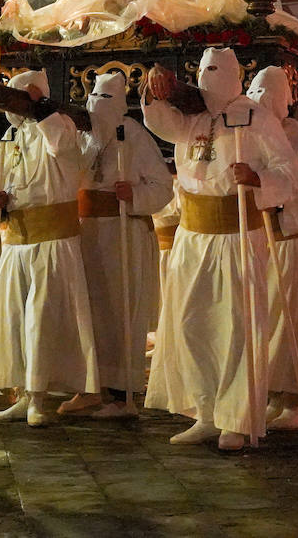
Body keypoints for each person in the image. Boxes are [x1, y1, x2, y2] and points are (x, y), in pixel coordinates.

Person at [143, 48, 298, 450]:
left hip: (237, 235)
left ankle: (237, 417)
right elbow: (160, 122)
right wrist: (155, 88)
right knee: (189, 323)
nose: (206, 76)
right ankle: (205, 410)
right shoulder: (192, 114)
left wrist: (257, 177)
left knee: (236, 325)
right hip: (192, 236)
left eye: (215, 70)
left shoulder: (256, 117)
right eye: (201, 69)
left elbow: (291, 174)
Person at [0, 68, 100, 428]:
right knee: (16, 320)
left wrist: (42, 108)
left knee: (42, 319)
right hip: (16, 240)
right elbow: (5, 182)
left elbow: (63, 150)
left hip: (52, 241)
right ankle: (23, 393)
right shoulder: (9, 136)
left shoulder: (60, 126)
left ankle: (38, 398)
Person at [64, 71, 173, 419]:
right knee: (88, 311)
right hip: (87, 233)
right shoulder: (86, 137)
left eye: (105, 100)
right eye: (93, 99)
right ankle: (89, 386)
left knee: (119, 311)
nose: (97, 107)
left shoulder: (134, 135)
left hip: (122, 234)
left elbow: (162, 187)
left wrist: (135, 195)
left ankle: (122, 393)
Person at [247, 68, 298, 430]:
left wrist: (281, 209)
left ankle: (293, 400)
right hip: (254, 240)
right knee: (258, 319)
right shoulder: (249, 133)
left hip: (286, 240)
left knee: (287, 321)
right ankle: (264, 393)